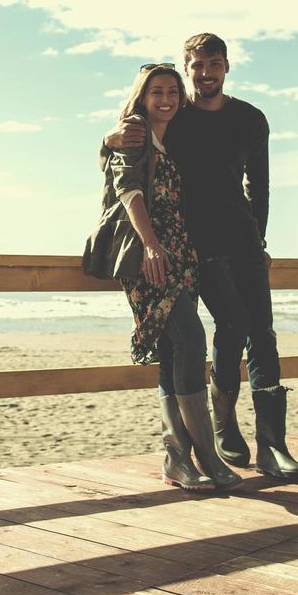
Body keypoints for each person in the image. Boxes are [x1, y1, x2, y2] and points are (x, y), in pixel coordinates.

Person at [104, 34, 298, 481]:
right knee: (216, 331)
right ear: (187, 67)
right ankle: (222, 426)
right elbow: (130, 151)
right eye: (197, 66)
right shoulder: (177, 115)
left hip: (244, 242)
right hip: (195, 247)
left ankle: (272, 447)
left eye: (213, 64)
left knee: (263, 335)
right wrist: (108, 136)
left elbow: (261, 185)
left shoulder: (250, 119)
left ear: (227, 66)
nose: (205, 73)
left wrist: (261, 240)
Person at [83, 63, 240, 490]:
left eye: (173, 91)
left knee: (176, 352)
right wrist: (151, 244)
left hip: (181, 253)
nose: (166, 99)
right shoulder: (133, 132)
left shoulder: (178, 132)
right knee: (190, 339)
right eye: (157, 92)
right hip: (146, 253)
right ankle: (205, 455)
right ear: (143, 95)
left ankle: (178, 459)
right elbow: (128, 190)